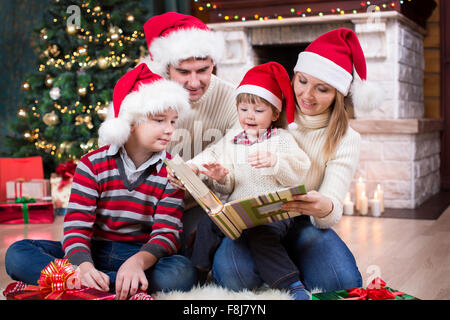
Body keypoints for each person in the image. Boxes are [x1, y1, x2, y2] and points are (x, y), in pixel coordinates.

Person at [210, 28, 383, 294]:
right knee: (234, 278)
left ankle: (287, 264)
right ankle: (283, 266)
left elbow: (330, 210)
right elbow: (230, 161)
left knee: (341, 283)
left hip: (303, 220)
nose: (307, 95)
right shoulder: (268, 111)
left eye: (322, 89)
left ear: (339, 93)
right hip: (255, 222)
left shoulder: (347, 138)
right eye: (302, 81)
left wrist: (323, 206)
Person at [5, 64, 197, 300]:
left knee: (182, 273)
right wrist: (83, 265)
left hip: (140, 254)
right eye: (159, 120)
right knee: (17, 253)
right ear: (132, 121)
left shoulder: (172, 170)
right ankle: (101, 281)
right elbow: (76, 227)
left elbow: (166, 233)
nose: (170, 130)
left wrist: (137, 263)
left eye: (173, 122)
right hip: (92, 251)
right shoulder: (92, 164)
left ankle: (86, 284)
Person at [184, 62, 311, 299]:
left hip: (272, 213)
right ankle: (198, 272)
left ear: (274, 113)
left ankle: (291, 284)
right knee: (206, 223)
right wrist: (220, 176)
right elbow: (224, 177)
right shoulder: (232, 142)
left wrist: (275, 161)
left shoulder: (281, 139)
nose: (249, 116)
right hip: (237, 213)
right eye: (243, 110)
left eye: (258, 111)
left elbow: (300, 170)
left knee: (260, 234)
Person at [139, 12, 239, 254]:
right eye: (184, 72)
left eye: (203, 70)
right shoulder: (145, 96)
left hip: (203, 208)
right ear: (167, 68)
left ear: (213, 63)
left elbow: (238, 156)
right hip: (148, 208)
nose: (194, 82)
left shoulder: (233, 98)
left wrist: (195, 173)